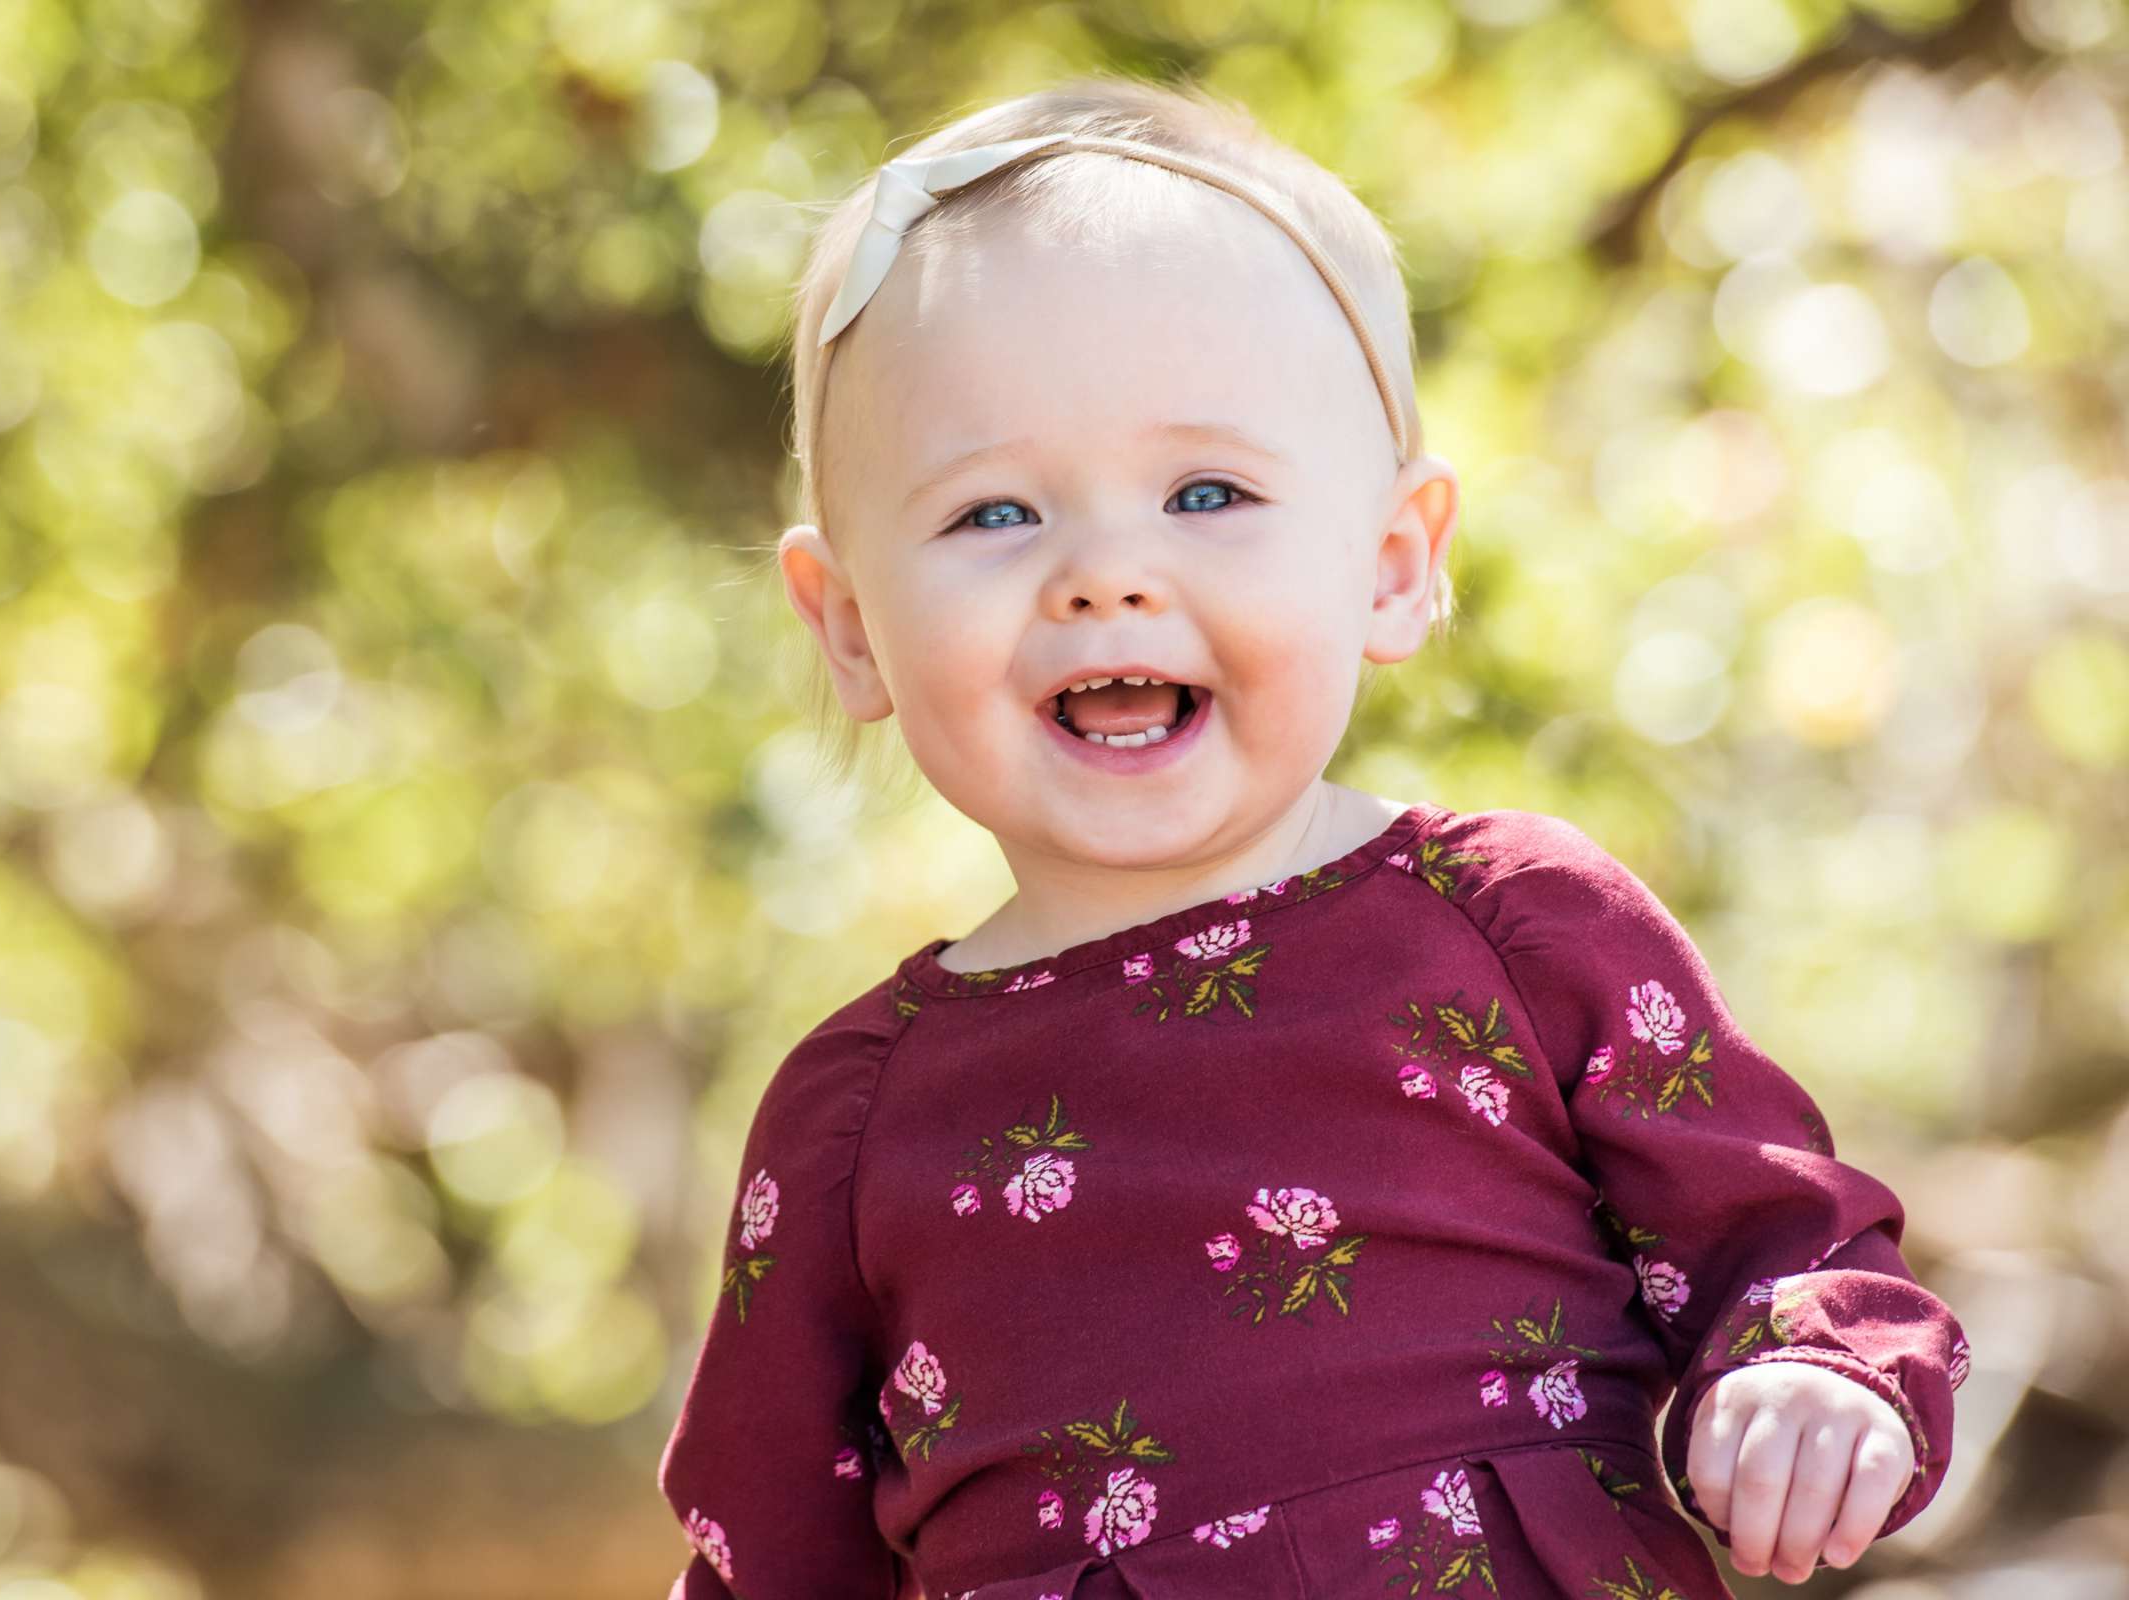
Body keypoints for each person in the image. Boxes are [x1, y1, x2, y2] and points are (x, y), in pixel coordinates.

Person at [654, 72, 1967, 1600]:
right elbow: (767, 1564)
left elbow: (1785, 1246)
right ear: (856, 629)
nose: (1105, 574)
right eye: (995, 514)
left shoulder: (1513, 928)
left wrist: (1813, 1379)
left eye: (1206, 492)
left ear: (1396, 563)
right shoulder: (852, 1129)